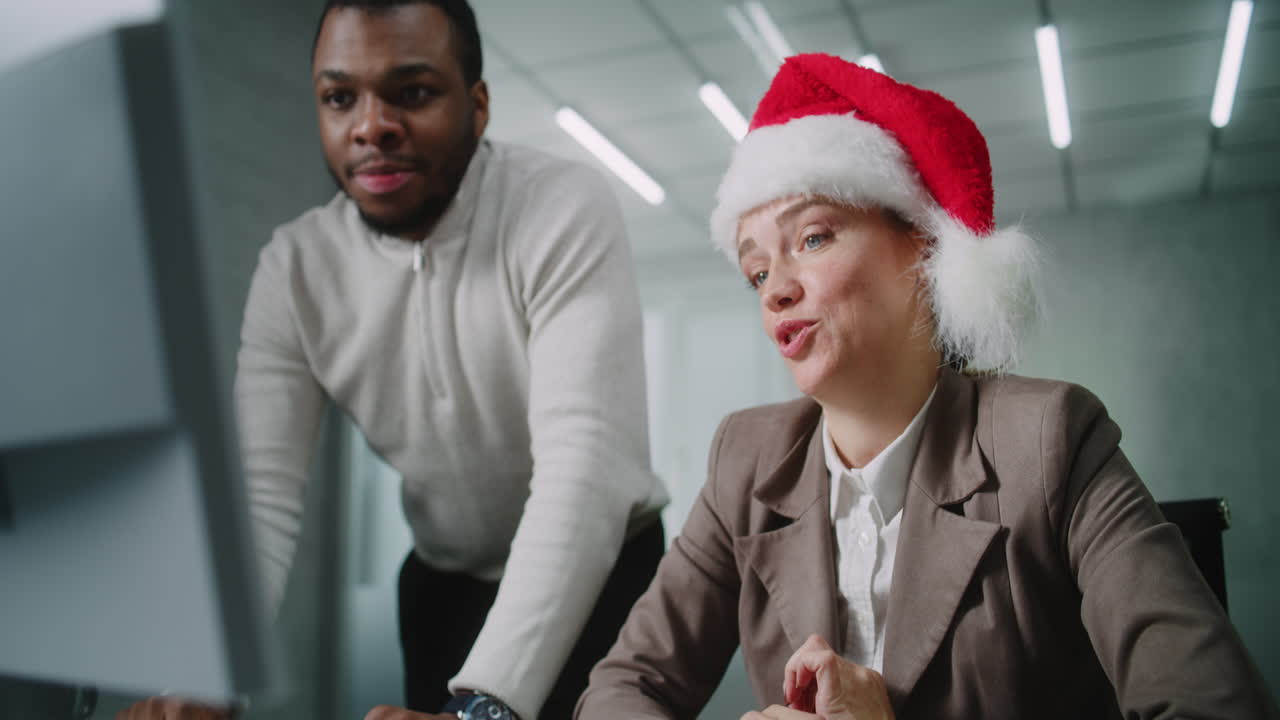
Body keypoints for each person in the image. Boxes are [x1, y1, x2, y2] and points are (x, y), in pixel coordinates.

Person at [575, 53, 1278, 720]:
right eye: (757, 272)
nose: (776, 291)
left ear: (925, 246)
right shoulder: (747, 457)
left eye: (813, 238)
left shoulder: (1051, 439)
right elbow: (622, 685)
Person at [117, 2, 667, 719]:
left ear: (477, 105)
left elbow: (584, 466)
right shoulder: (295, 268)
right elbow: (260, 494)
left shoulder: (558, 206)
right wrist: (200, 676)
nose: (370, 125)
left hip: (608, 574)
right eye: (340, 97)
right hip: (443, 583)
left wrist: (484, 707)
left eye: (411, 92)